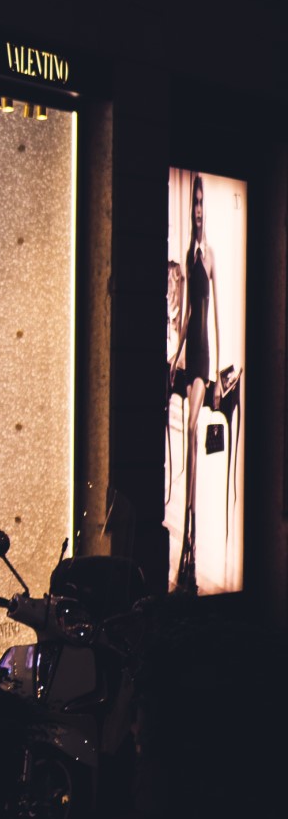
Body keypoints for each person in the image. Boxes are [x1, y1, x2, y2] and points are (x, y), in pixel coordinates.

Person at [170, 174, 219, 592]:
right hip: (190, 355)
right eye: (195, 203)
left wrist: (216, 371)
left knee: (190, 430)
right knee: (186, 438)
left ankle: (192, 532)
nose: (199, 210)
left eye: (202, 203)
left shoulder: (210, 255)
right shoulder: (190, 254)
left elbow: (215, 315)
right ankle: (188, 532)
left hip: (205, 357)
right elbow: (187, 313)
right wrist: (175, 356)